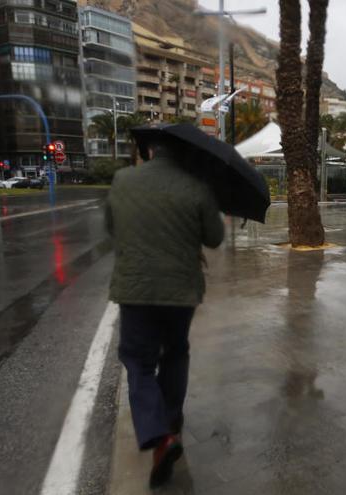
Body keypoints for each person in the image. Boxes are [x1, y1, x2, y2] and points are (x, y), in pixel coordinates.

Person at [104, 137, 224, 488]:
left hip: (136, 290)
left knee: (138, 362)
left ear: (152, 151)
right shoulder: (197, 186)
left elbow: (112, 229)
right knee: (175, 352)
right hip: (180, 291)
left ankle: (158, 434)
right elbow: (214, 238)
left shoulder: (123, 180)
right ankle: (170, 423)